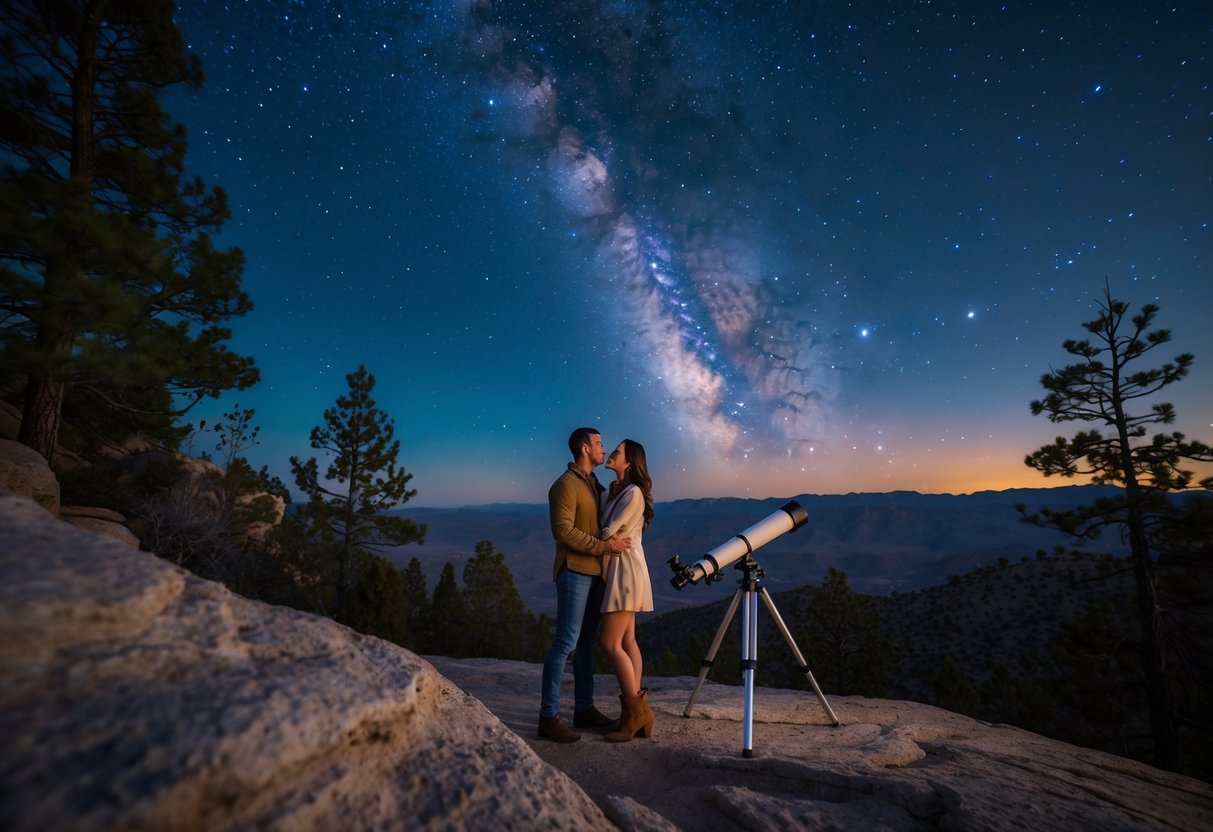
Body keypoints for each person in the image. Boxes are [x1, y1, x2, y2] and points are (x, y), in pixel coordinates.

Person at [538, 427, 630, 743]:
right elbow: (562, 531)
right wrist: (605, 547)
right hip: (575, 571)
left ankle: (584, 708)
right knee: (566, 642)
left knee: (587, 643)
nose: (604, 448)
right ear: (584, 448)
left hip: (596, 574)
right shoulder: (564, 486)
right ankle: (548, 717)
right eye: (599, 443)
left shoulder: (593, 485)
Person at [597, 438, 656, 742]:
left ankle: (635, 714)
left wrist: (599, 535)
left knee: (610, 643)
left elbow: (609, 531)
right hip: (621, 567)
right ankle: (636, 714)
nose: (610, 454)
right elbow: (609, 534)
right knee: (628, 639)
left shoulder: (633, 493)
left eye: (617, 453)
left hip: (625, 571)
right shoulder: (612, 491)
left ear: (629, 463)